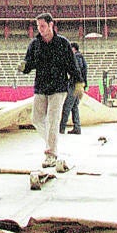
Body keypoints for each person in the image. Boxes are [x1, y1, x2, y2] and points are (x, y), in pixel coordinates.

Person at [21, 12, 85, 168]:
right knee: (36, 119)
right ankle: (52, 144)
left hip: (59, 88)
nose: (40, 29)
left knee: (53, 120)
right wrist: (23, 67)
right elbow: (28, 64)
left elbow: (72, 65)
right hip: (41, 87)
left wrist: (78, 82)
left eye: (42, 26)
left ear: (51, 25)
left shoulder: (63, 43)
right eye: (38, 26)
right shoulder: (34, 44)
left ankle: (51, 154)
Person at [59, 42, 88, 135]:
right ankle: (77, 127)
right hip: (79, 85)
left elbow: (77, 70)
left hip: (75, 85)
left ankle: (61, 128)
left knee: (67, 106)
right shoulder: (81, 57)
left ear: (73, 49)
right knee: (74, 106)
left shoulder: (76, 57)